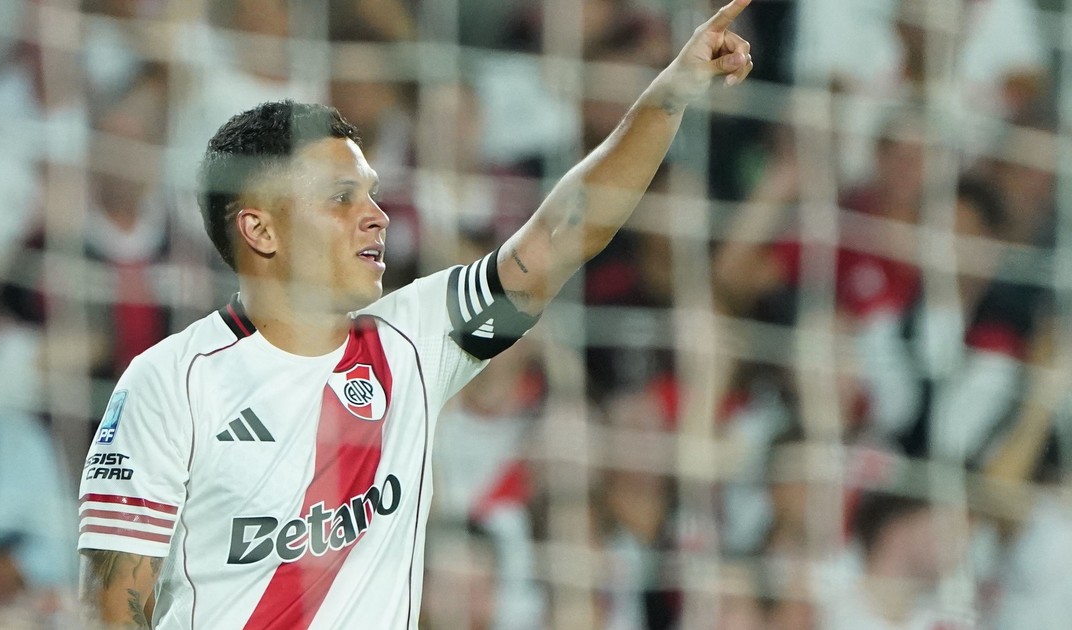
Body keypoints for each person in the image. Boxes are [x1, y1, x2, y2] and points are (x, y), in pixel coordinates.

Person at [76, 1, 755, 627]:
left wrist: (670, 94)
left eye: (371, 194)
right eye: (341, 197)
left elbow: (565, 234)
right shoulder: (169, 383)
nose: (376, 216)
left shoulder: (412, 341)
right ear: (261, 229)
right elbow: (112, 607)